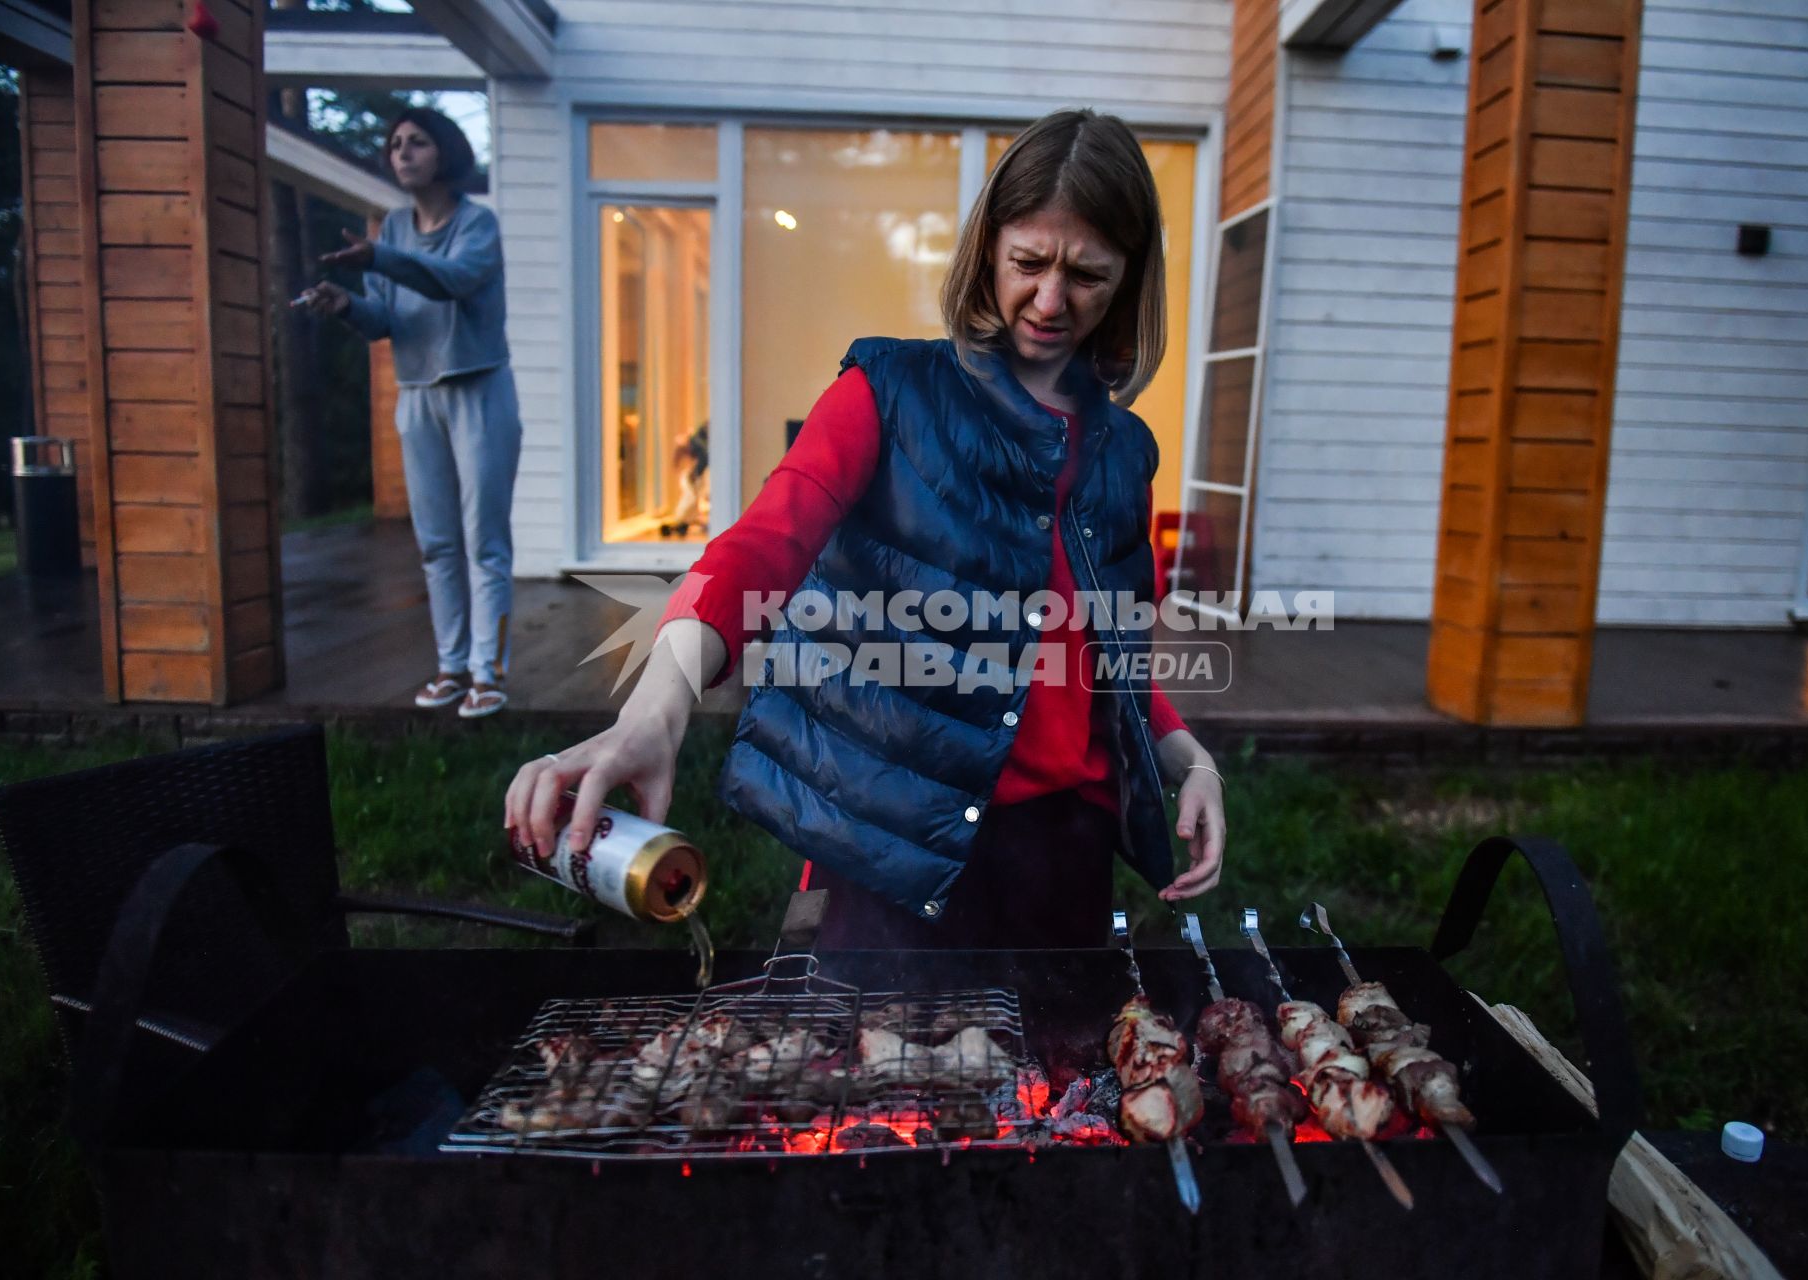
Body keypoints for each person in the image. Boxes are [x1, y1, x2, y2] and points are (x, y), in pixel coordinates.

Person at [505, 109, 1227, 946]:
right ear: (988, 248)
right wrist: (655, 713)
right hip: (889, 833)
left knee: (1055, 1071)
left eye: (1089, 276)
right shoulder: (889, 389)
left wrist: (1190, 760)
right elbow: (759, 550)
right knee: (878, 1068)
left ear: (1131, 280)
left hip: (1065, 845)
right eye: (1028, 262)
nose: (1051, 300)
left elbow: (1098, 646)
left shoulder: (1125, 450)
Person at [302, 107, 521, 718]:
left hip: (479, 391)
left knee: (485, 541)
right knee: (435, 543)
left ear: (444, 154)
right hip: (417, 394)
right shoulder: (393, 229)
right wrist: (345, 303)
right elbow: (385, 322)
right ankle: (451, 666)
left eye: (417, 142)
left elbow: (451, 281)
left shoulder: (478, 225)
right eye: (395, 143)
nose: (403, 153)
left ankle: (489, 672)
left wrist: (376, 261)